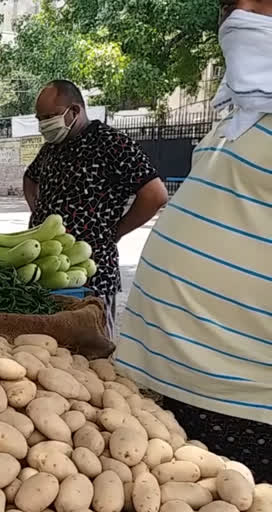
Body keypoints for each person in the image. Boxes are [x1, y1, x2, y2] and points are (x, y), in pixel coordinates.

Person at [114, 0, 272, 481]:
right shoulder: (240, 113)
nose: (238, 14)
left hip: (241, 409)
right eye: (230, 3)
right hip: (162, 394)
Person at [23, 81, 168, 338]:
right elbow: (30, 178)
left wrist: (116, 232)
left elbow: (155, 194)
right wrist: (38, 217)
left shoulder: (111, 144)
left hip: (92, 271)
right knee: (47, 348)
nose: (44, 124)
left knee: (93, 349)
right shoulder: (52, 148)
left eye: (50, 116)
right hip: (47, 268)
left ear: (75, 111)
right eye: (40, 118)